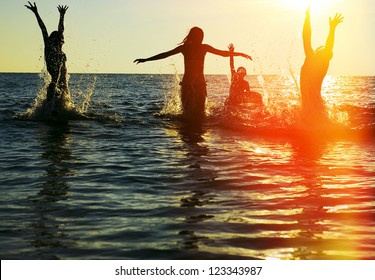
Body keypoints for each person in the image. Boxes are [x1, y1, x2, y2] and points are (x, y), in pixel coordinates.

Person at [134, 27, 252, 122]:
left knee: (200, 115)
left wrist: (239, 54)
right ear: (193, 37)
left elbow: (222, 54)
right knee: (187, 114)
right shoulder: (185, 48)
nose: (200, 39)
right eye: (198, 36)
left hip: (199, 84)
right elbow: (166, 54)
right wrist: (147, 59)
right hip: (187, 85)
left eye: (201, 37)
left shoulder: (203, 48)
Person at [300, 7, 344, 123]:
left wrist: (332, 28)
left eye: (323, 50)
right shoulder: (310, 57)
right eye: (321, 49)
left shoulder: (321, 64)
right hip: (308, 104)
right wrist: (307, 17)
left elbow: (329, 45)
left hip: (315, 104)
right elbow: (306, 37)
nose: (321, 49)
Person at [25, 2, 69, 104]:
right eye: (60, 40)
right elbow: (43, 28)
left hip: (62, 80)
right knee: (52, 98)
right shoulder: (48, 44)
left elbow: (61, 30)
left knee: (64, 100)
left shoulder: (58, 47)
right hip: (54, 81)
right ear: (55, 40)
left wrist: (62, 15)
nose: (62, 42)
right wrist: (36, 13)